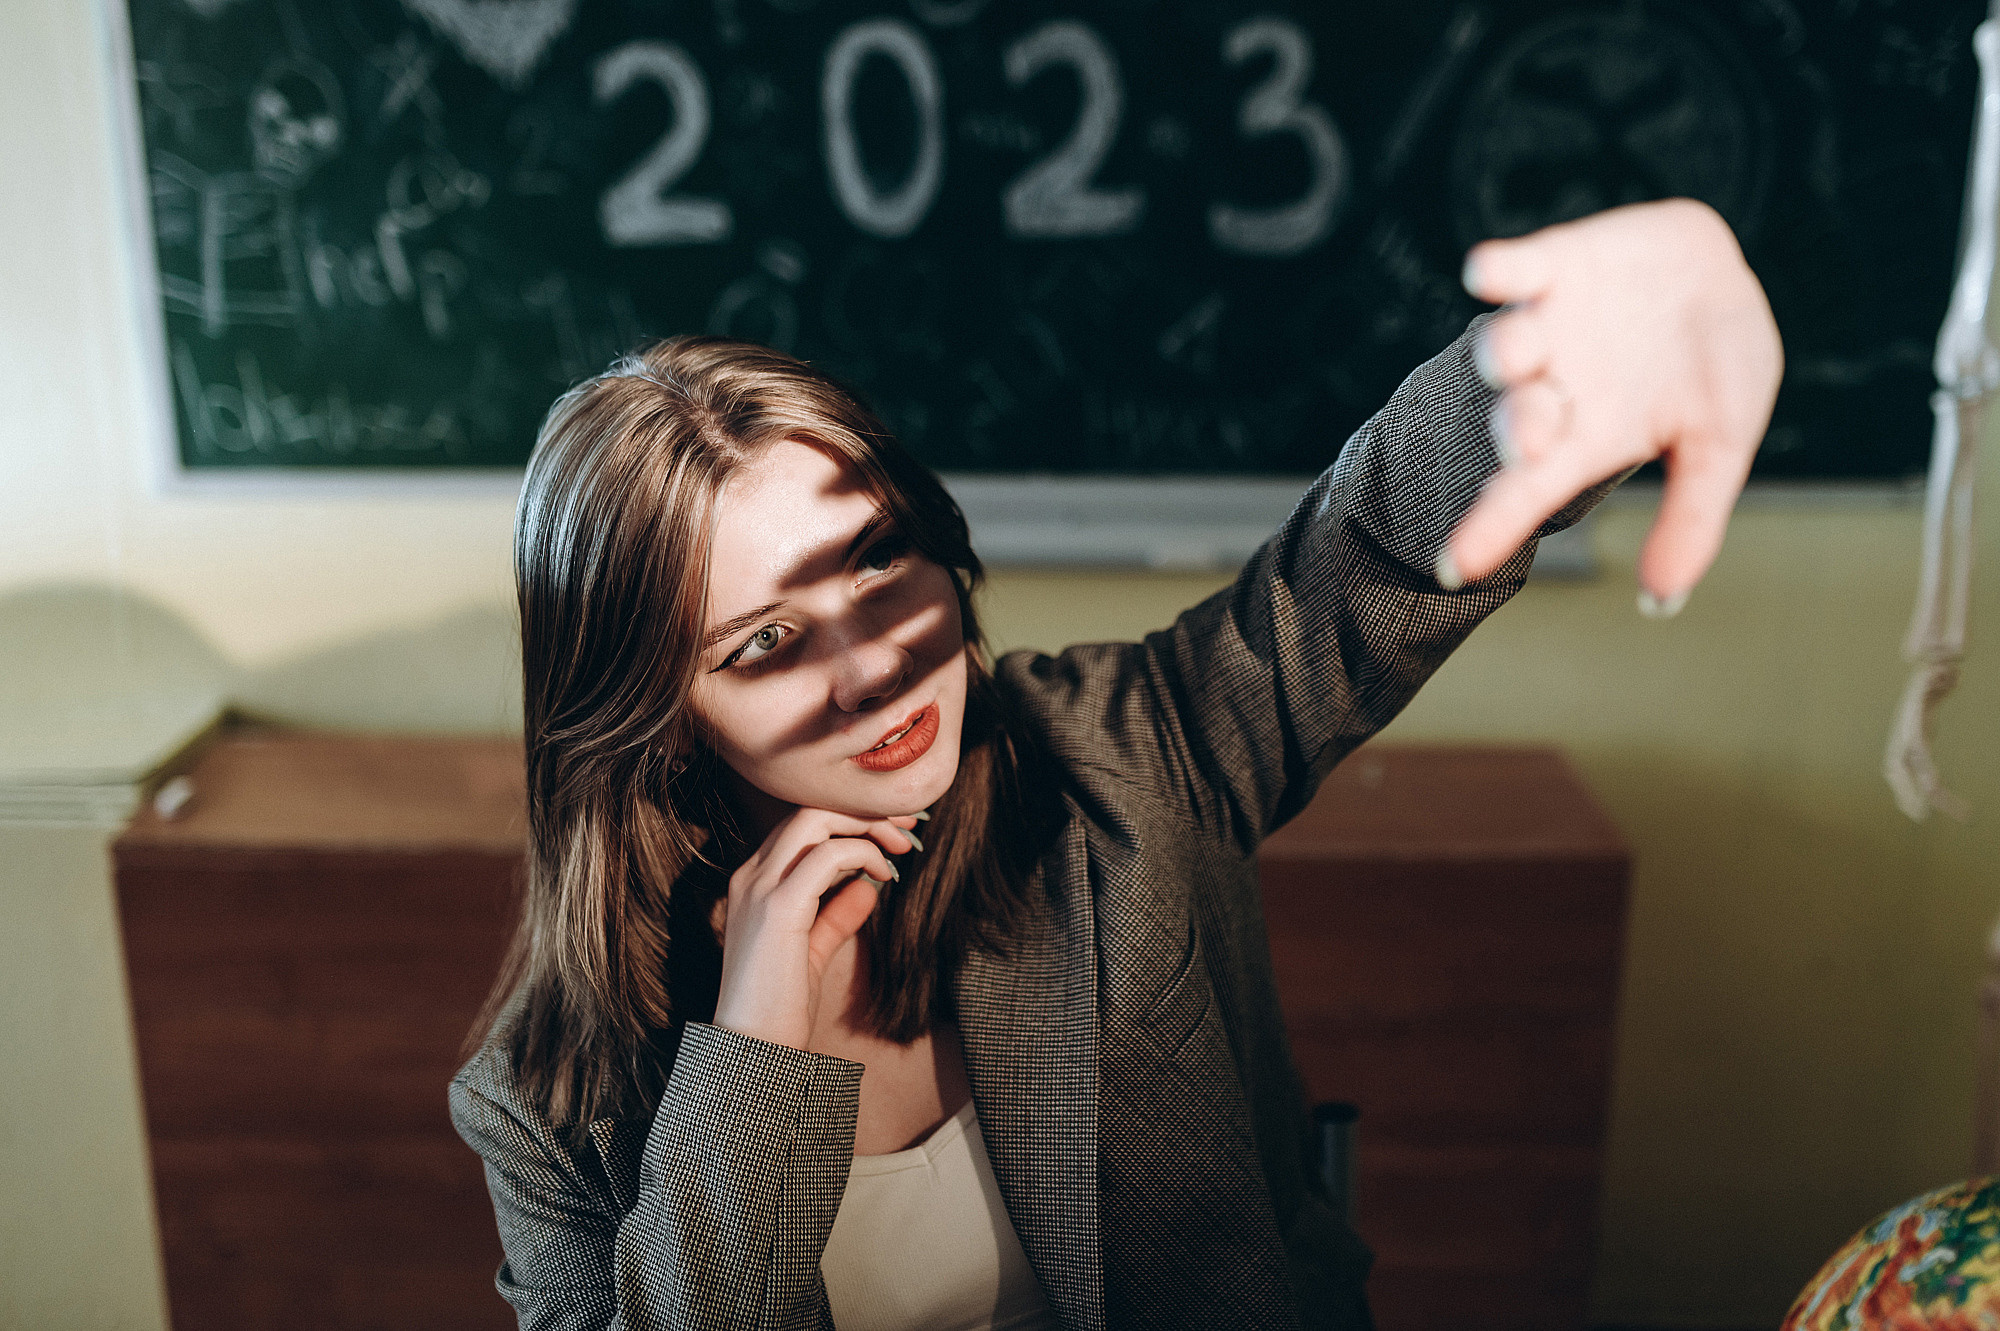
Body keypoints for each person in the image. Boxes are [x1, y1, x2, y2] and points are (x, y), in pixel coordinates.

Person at [449, 199, 1782, 1330]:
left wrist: (1520, 390)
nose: (879, 664)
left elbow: (1356, 563)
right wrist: (750, 1050)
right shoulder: (541, 1100)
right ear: (656, 721)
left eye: (874, 558)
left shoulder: (1120, 759)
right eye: (769, 641)